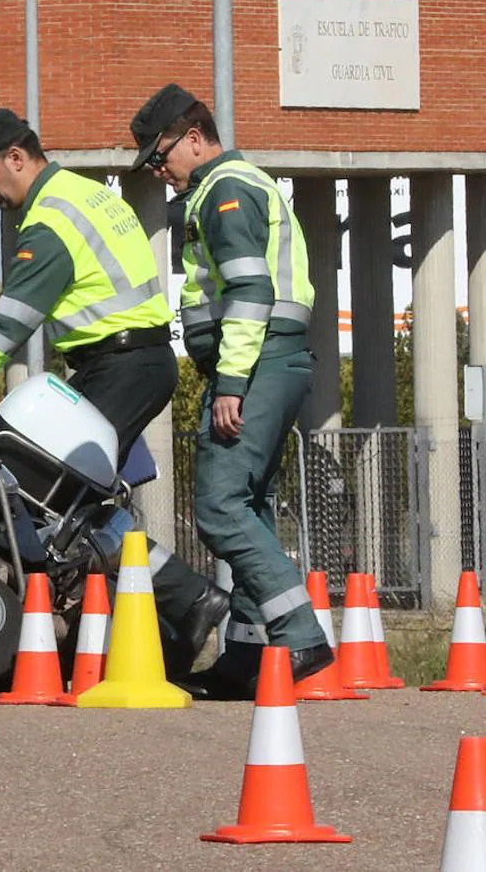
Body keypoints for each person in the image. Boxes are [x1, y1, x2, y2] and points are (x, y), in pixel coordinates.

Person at [0, 107, 229, 675]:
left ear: (17, 157)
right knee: (76, 507)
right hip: (130, 362)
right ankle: (174, 615)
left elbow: (7, 328)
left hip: (120, 364)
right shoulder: (88, 194)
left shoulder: (51, 220)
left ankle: (173, 605)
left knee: (26, 494)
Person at [128, 83, 332, 698]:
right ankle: (246, 652)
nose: (159, 170)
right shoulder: (223, 189)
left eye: (161, 156)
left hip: (259, 362)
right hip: (270, 361)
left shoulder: (225, 191)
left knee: (218, 505)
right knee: (250, 504)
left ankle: (300, 636)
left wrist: (232, 383)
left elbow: (250, 293)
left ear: (194, 137)